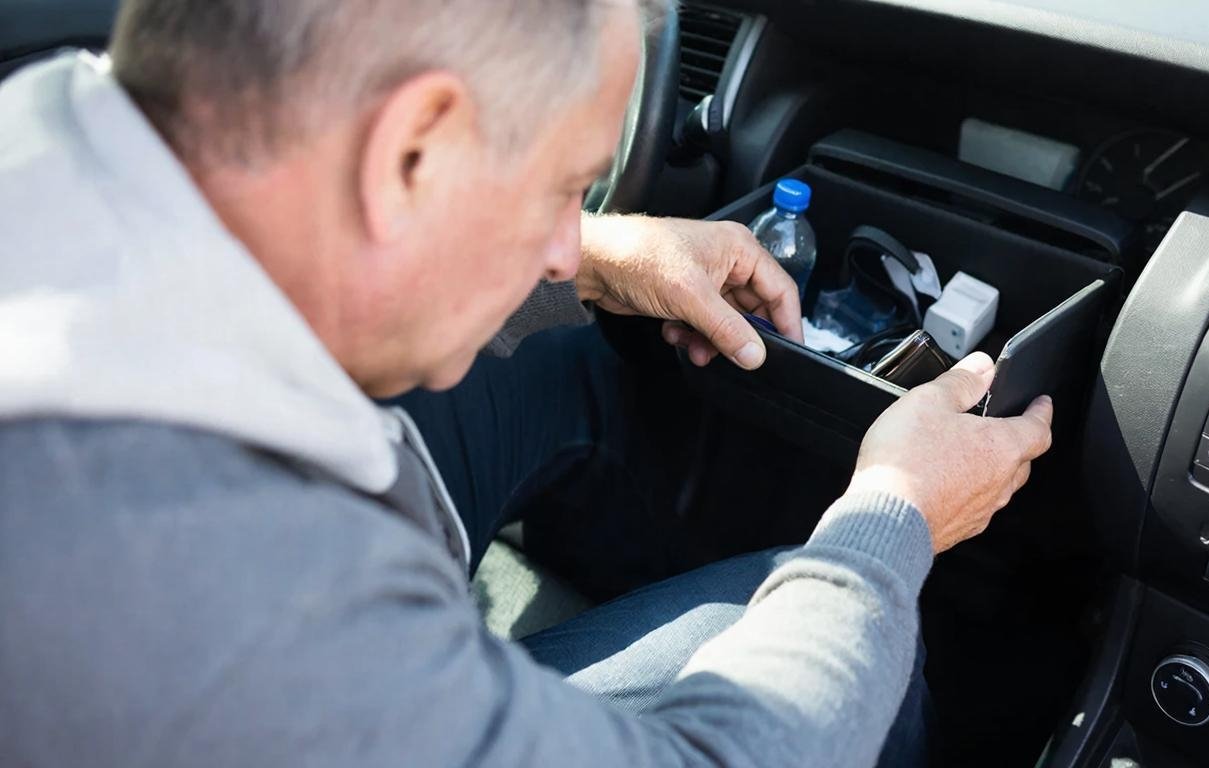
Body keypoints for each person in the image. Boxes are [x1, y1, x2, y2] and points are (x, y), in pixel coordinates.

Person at [0, 0, 1054, 766]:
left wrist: (607, 251)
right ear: (411, 151)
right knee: (865, 654)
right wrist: (890, 520)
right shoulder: (234, 602)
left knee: (565, 343)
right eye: (562, 188)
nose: (564, 244)